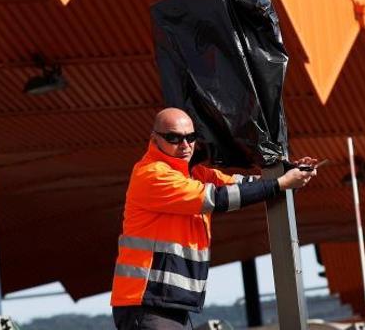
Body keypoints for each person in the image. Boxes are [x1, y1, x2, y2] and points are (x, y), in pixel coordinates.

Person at [111, 107, 318, 330]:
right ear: (155, 139)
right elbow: (217, 199)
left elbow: (244, 186)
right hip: (147, 302)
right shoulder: (152, 174)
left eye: (190, 138)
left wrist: (289, 174)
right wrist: (280, 184)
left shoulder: (194, 174)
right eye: (174, 138)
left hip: (167, 303)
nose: (185, 145)